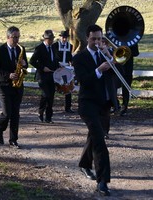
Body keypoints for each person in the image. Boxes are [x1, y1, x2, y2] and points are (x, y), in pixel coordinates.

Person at [72, 24, 119, 196]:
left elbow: (116, 77)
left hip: (104, 104)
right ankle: (103, 182)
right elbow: (84, 80)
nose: (98, 42)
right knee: (100, 141)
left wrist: (109, 57)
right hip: (88, 104)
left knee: (94, 135)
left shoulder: (104, 55)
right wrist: (99, 70)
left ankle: (84, 164)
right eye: (94, 39)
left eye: (100, 39)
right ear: (87, 39)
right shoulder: (79, 58)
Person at [0, 26, 28, 148]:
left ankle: (13, 140)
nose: (17, 40)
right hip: (4, 86)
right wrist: (8, 75)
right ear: (8, 37)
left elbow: (25, 66)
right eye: (14, 37)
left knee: (15, 114)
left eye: (18, 37)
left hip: (17, 86)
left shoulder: (21, 49)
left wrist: (24, 64)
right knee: (7, 113)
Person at [30, 30, 59, 123]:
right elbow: (32, 61)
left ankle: (48, 117)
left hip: (52, 75)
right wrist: (42, 68)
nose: (52, 41)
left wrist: (59, 66)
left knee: (51, 96)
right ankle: (41, 112)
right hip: (42, 76)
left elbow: (54, 60)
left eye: (52, 39)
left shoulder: (53, 47)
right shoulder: (39, 48)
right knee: (46, 94)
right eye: (50, 39)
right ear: (46, 39)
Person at [52, 30, 74, 113]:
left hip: (65, 69)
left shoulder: (70, 46)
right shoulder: (55, 45)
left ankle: (68, 107)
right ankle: (49, 106)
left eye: (66, 37)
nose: (64, 39)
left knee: (67, 86)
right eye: (63, 37)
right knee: (54, 87)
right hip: (57, 69)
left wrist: (72, 63)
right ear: (60, 37)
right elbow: (53, 57)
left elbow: (70, 58)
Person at [119, 44, 139, 116]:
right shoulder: (114, 37)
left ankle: (124, 105)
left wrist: (127, 48)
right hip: (115, 64)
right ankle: (114, 104)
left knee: (126, 86)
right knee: (111, 85)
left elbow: (136, 53)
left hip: (127, 67)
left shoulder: (131, 39)